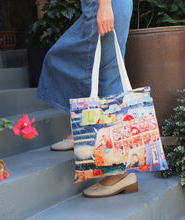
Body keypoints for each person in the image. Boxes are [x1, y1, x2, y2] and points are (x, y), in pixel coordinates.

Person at [37, 0, 138, 197]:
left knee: (108, 78)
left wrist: (105, 5)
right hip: (104, 5)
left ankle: (120, 173)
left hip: (105, 5)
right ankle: (83, 129)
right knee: (97, 70)